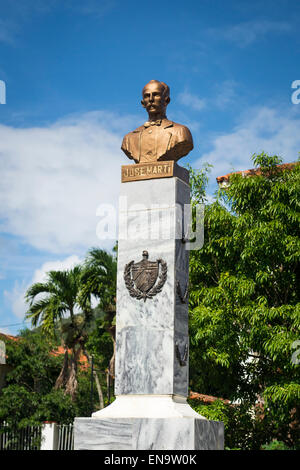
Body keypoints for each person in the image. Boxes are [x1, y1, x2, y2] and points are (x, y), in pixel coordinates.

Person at [121, 80, 193, 163]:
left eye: (156, 95)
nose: (151, 99)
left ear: (167, 100)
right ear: (143, 103)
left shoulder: (181, 132)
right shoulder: (129, 139)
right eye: (147, 96)